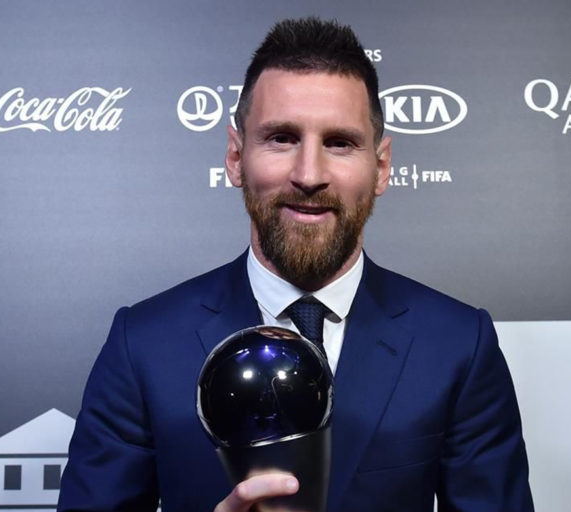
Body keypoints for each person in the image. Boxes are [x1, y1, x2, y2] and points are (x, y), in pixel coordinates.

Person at [58, 17, 533, 512]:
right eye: (282, 138)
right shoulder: (142, 344)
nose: (309, 175)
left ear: (381, 167)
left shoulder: (459, 345)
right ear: (236, 157)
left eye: (339, 142)